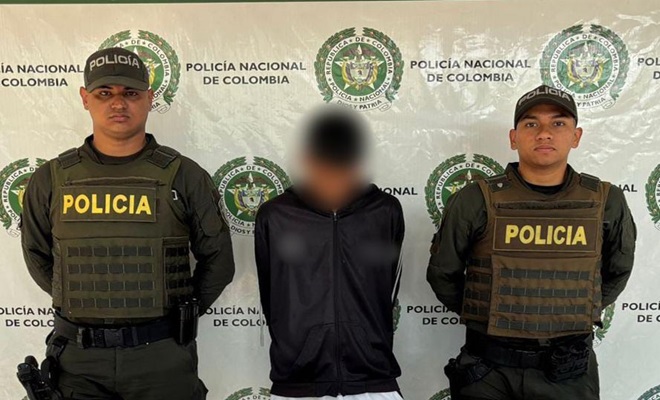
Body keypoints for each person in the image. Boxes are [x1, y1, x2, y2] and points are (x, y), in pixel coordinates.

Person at [20, 47, 235, 400]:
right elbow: (37, 255)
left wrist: (178, 315)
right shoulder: (51, 179)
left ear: (149, 99)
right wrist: (84, 303)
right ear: (85, 98)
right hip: (78, 361)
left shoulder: (185, 175)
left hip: (161, 357)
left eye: (130, 93)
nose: (118, 103)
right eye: (104, 93)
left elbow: (219, 261)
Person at [426, 85, 636, 400]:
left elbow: (618, 271)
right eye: (531, 123)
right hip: (488, 370)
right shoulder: (475, 199)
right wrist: (488, 314)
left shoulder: (606, 201)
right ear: (514, 138)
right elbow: (443, 274)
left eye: (558, 123)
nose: (544, 133)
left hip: (567, 371)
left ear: (576, 136)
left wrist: (570, 311)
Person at [254, 106, 405, 400]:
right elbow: (271, 295)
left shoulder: (385, 211)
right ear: (307, 160)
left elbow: (388, 289)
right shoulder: (276, 215)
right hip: (297, 383)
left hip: (373, 379)